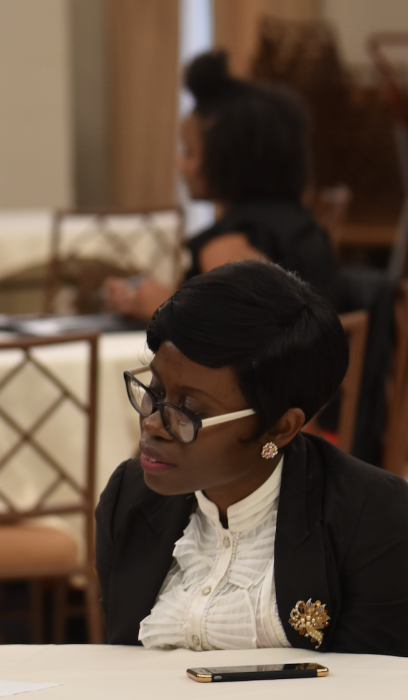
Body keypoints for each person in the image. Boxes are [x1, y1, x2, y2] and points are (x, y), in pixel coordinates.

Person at [96, 260, 408, 656]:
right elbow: (121, 664)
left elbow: (378, 688)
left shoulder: (372, 517)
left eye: (189, 410)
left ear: (279, 428)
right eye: (153, 390)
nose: (154, 423)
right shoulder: (129, 497)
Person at [105, 51, 341, 319]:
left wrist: (166, 305)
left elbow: (247, 333)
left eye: (189, 153)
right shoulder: (301, 225)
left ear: (229, 160)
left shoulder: (228, 245)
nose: (179, 163)